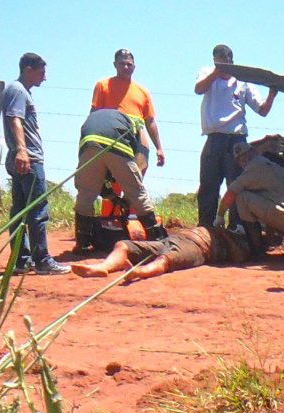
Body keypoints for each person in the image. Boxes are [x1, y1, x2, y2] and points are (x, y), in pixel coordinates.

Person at [194, 44, 278, 230]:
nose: (224, 67)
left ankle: (237, 228)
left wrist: (272, 95)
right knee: (208, 184)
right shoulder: (207, 73)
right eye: (219, 62)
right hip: (214, 138)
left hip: (237, 141)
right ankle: (205, 227)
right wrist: (216, 72)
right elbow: (198, 89)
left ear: (233, 62)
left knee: (237, 185)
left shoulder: (243, 81)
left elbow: (262, 110)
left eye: (227, 63)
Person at [2, 53, 71, 275]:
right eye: (41, 72)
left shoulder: (19, 91)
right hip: (28, 158)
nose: (44, 77)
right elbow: (15, 120)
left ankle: (21, 260)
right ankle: (42, 260)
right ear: (28, 68)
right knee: (38, 210)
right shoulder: (18, 90)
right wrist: (22, 151)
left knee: (21, 210)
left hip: (23, 157)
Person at [73, 108, 167, 253]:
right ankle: (156, 240)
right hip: (116, 142)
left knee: (85, 195)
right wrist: (129, 195)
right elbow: (141, 164)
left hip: (89, 142)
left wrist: (113, 197)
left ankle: (82, 243)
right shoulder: (137, 124)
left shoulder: (99, 117)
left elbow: (94, 177)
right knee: (138, 193)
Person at [213, 142, 284, 259]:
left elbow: (231, 193)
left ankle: (257, 252)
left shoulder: (255, 167)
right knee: (279, 205)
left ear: (242, 161)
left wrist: (219, 216)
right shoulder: (269, 165)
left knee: (242, 197)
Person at [70, 226, 250, 282]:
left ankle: (138, 272)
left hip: (197, 247)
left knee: (166, 259)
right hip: (171, 239)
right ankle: (103, 267)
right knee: (123, 244)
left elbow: (239, 257)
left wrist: (227, 235)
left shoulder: (238, 245)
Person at [91, 49, 164, 174]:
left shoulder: (142, 91)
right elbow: (94, 113)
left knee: (139, 168)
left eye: (129, 64)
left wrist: (159, 148)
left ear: (134, 67)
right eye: (122, 64)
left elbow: (150, 120)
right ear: (115, 65)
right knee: (109, 175)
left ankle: (132, 192)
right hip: (111, 134)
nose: (125, 67)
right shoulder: (102, 85)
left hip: (136, 134)